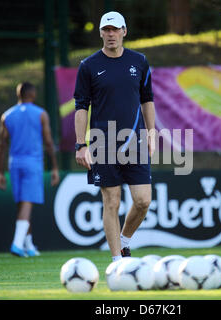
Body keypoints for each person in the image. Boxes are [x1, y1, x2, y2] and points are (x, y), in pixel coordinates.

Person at [74, 11, 156, 262]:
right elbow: (81, 107)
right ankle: (117, 263)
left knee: (143, 201)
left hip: (135, 140)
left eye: (115, 29)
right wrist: (81, 144)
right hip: (102, 141)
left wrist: (152, 133)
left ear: (124, 31)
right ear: (100, 32)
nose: (110, 34)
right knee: (112, 201)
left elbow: (147, 100)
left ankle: (125, 241)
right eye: (106, 30)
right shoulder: (88, 66)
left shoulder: (139, 61)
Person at [0, 82, 60, 257]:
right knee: (26, 203)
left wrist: (0, 172)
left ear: (19, 95)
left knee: (22, 204)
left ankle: (29, 245)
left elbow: (1, 145)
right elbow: (48, 142)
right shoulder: (40, 114)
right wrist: (54, 167)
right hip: (33, 163)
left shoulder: (7, 115)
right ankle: (17, 244)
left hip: (14, 164)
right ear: (32, 94)